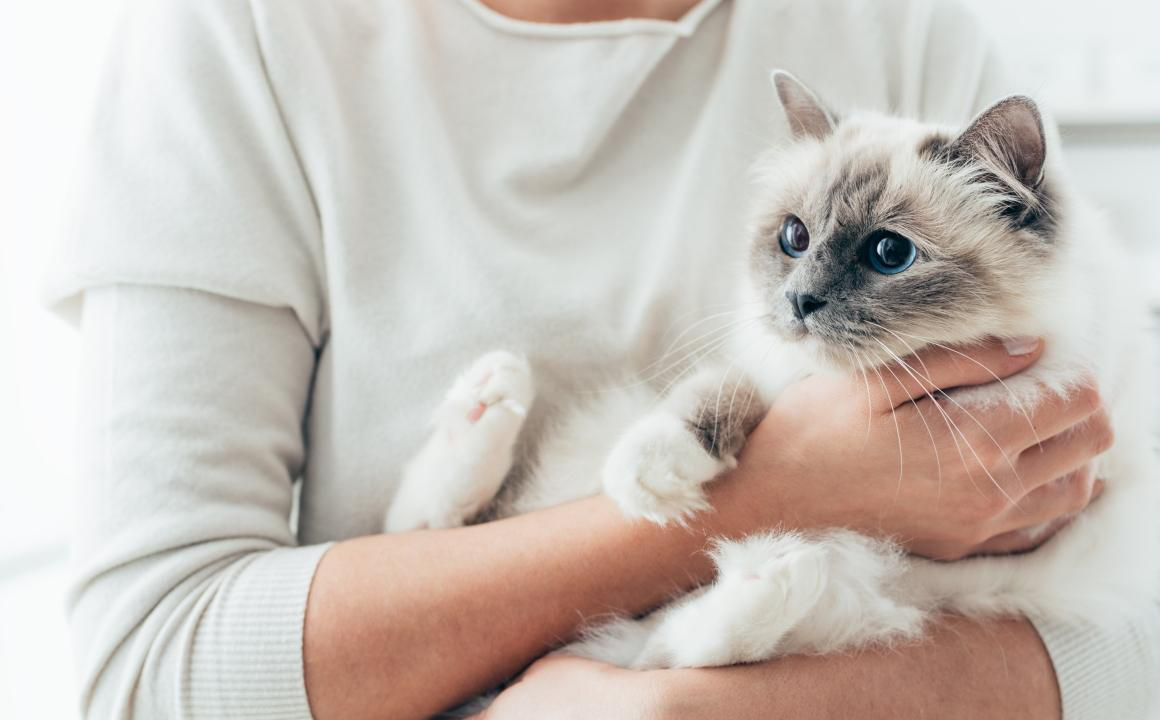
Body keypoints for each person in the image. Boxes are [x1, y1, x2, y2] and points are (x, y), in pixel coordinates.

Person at [50, 0, 1160, 718]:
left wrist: (691, 713)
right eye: (789, 244)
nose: (808, 288)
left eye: (873, 254)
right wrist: (764, 495)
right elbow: (148, 671)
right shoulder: (235, 36)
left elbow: (1130, 645)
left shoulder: (898, 26)